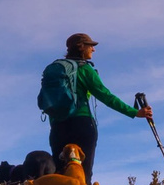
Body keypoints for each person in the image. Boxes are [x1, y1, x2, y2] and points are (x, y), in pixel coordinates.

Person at [37, 33, 151, 176]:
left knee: (60, 173)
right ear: (81, 47)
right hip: (82, 124)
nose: (93, 49)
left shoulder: (56, 69)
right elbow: (106, 96)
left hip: (57, 126)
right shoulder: (84, 69)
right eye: (91, 46)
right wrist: (134, 112)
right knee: (83, 173)